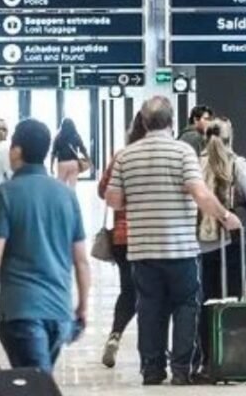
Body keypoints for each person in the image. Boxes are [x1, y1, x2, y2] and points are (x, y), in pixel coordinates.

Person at [105, 97, 241, 386]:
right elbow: (199, 193)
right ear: (170, 121)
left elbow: (113, 199)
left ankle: (152, 370)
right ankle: (180, 370)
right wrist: (225, 216)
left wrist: (140, 193)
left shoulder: (126, 155)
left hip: (142, 249)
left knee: (149, 308)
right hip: (180, 248)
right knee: (185, 306)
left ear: (143, 121)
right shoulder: (182, 152)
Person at [0, 119, 91, 374]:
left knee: (35, 385)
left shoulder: (5, 194)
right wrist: (82, 306)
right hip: (59, 313)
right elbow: (81, 260)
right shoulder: (66, 196)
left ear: (17, 151)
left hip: (22, 312)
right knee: (38, 381)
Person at [196, 117, 246, 375]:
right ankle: (234, 356)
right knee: (233, 298)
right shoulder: (237, 164)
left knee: (205, 301)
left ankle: (206, 359)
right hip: (234, 244)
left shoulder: (194, 164)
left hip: (202, 245)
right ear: (230, 137)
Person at [97, 114, 147, 369]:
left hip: (123, 236)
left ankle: (115, 335)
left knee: (129, 290)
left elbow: (102, 189)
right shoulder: (167, 155)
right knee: (153, 293)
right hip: (154, 236)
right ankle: (152, 351)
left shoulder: (122, 156)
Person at [51, 118, 89, 189]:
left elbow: (53, 153)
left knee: (61, 186)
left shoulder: (58, 137)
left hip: (62, 163)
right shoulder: (76, 136)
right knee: (72, 187)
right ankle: (71, 198)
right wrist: (89, 161)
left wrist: (51, 167)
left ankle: (62, 199)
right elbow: (83, 149)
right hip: (73, 163)